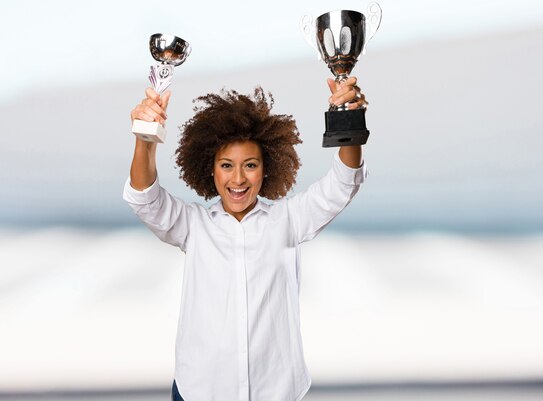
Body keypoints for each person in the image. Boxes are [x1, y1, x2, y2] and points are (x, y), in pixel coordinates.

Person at [123, 77, 368, 401]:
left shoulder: (288, 221)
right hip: (199, 391)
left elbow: (342, 184)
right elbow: (145, 198)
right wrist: (145, 138)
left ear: (266, 168)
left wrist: (348, 116)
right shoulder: (194, 225)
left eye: (250, 165)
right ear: (210, 169)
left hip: (275, 392)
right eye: (226, 165)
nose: (238, 178)